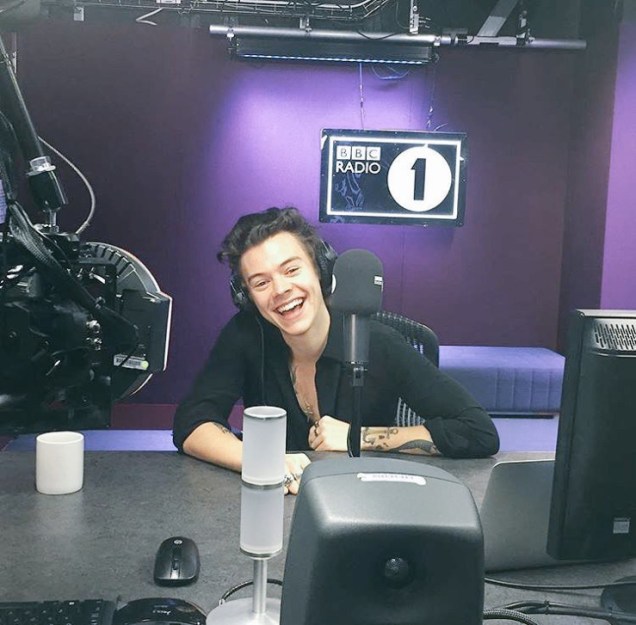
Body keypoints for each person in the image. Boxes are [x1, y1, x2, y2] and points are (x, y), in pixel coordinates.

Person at [173, 206, 500, 494]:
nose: (281, 289)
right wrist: (261, 461)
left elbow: (478, 431)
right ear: (247, 297)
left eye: (291, 270)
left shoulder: (379, 343)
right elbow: (192, 422)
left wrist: (356, 437)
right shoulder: (246, 334)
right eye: (261, 282)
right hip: (281, 504)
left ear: (320, 269)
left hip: (366, 502)